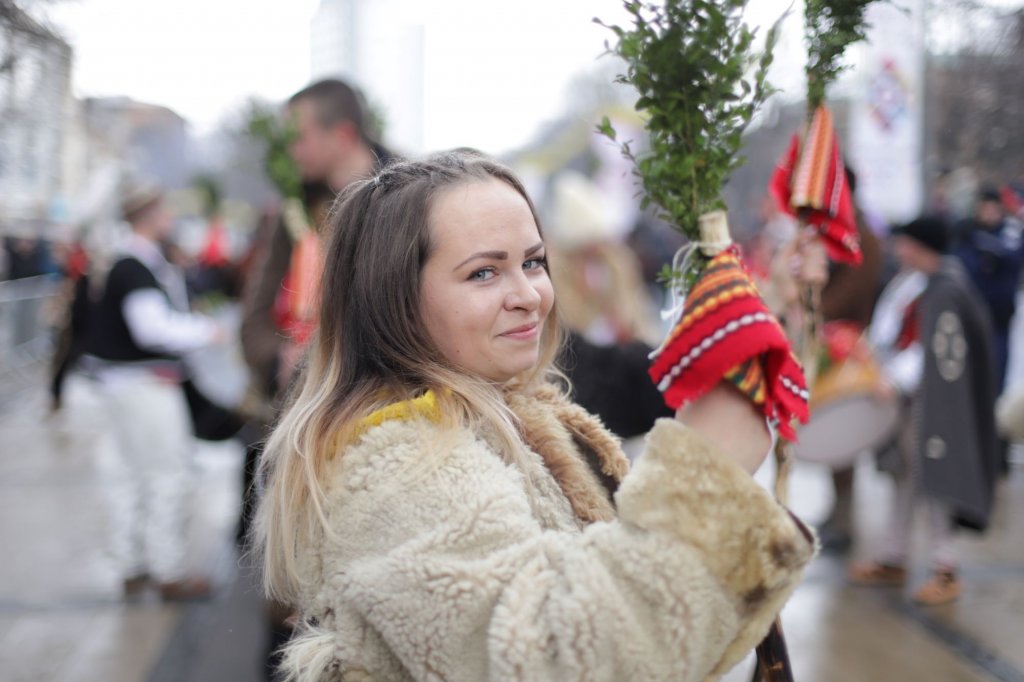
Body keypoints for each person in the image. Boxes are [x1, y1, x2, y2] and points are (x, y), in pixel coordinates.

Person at [253, 152, 815, 681]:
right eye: (483, 273)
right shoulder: (397, 463)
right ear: (393, 299)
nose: (529, 295)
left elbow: (666, 647)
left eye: (533, 262)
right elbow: (553, 660)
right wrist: (704, 479)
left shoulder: (521, 409)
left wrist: (770, 309)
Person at [238, 77, 395, 679]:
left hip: (388, 430)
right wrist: (279, 355)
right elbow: (251, 320)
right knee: (289, 612)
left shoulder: (411, 195)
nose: (293, 151)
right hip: (299, 434)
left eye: (301, 136)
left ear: (343, 134)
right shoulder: (291, 213)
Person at [82, 184, 224, 600]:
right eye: (163, 208)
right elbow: (152, 329)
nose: (170, 215)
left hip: (124, 384)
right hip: (144, 384)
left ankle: (133, 565)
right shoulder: (135, 266)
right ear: (148, 213)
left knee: (130, 474)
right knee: (167, 473)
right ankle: (168, 571)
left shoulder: (131, 262)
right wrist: (206, 331)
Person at [849, 215, 1000, 605]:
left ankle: (945, 568)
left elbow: (932, 353)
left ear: (920, 246)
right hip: (910, 402)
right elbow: (892, 334)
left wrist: (895, 381)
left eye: (906, 243)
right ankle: (893, 556)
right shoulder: (915, 283)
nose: (899, 249)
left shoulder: (946, 290)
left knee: (937, 484)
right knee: (903, 480)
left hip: (932, 404)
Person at [815, 169, 884, 554]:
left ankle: (845, 517)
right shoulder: (836, 228)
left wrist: (812, 313)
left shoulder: (861, 234)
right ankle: (838, 511)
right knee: (832, 430)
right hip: (833, 338)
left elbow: (852, 289)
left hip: (850, 342)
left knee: (846, 431)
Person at [953, 186, 1024, 389]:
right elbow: (963, 262)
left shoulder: (1010, 230)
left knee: (997, 364)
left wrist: (985, 244)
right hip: (974, 306)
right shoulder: (969, 231)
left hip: (1000, 311)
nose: (988, 213)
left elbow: (1011, 256)